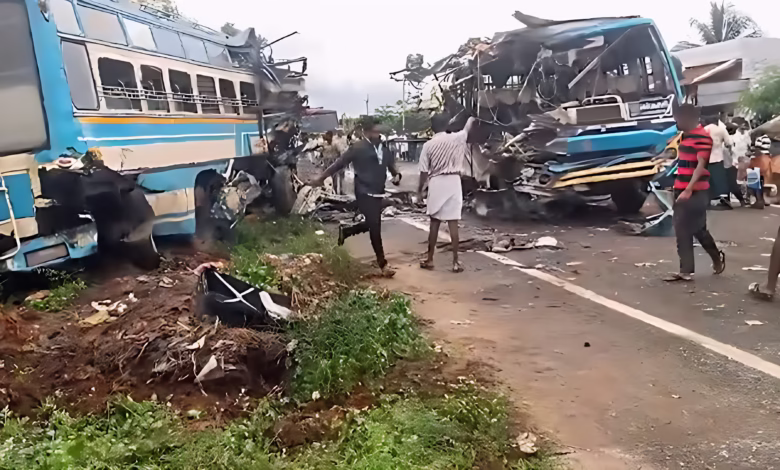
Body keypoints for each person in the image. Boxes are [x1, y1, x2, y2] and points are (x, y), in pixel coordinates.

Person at [310, 117, 401, 276]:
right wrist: (321, 178)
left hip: (378, 192)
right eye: (374, 130)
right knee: (375, 226)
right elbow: (339, 163)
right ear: (365, 131)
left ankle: (347, 231)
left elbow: (393, 168)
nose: (377, 133)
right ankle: (383, 264)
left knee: (373, 223)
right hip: (364, 192)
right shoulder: (357, 148)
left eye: (379, 130)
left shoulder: (384, 149)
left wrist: (397, 176)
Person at [665, 104, 725, 282]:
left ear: (687, 118)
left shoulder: (703, 138)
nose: (676, 121)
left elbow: (701, 166)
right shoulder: (686, 136)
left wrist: (688, 190)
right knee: (685, 229)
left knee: (695, 230)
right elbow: (684, 158)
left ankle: (712, 258)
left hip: (695, 191)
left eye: (678, 118)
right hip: (681, 188)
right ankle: (687, 269)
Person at [418, 114, 476, 273]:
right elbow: (469, 125)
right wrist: (471, 116)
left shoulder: (428, 145)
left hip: (436, 182)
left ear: (432, 127)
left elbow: (423, 172)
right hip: (454, 182)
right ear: (447, 124)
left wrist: (420, 190)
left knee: (434, 223)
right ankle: (455, 262)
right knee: (453, 224)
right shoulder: (458, 138)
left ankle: (430, 259)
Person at [703, 115, 732, 208]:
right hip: (717, 158)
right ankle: (721, 201)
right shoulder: (721, 130)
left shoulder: (703, 130)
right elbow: (729, 143)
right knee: (719, 180)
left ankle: (707, 202)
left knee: (707, 181)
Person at [724, 124, 747, 207]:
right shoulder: (730, 139)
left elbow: (732, 152)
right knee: (729, 183)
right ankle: (727, 200)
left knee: (731, 184)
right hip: (730, 163)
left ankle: (741, 200)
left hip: (730, 164)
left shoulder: (729, 139)